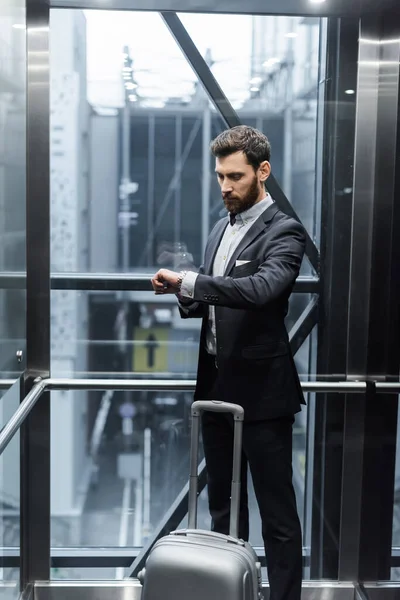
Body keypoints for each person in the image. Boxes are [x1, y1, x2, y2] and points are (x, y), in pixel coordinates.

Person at [151, 125, 306, 600]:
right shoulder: (221, 227)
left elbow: (261, 292)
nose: (225, 187)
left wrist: (192, 281)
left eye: (235, 176)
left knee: (277, 516)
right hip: (216, 389)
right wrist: (182, 291)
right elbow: (209, 302)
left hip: (262, 396)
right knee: (223, 508)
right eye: (220, 176)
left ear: (263, 171)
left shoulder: (286, 231)